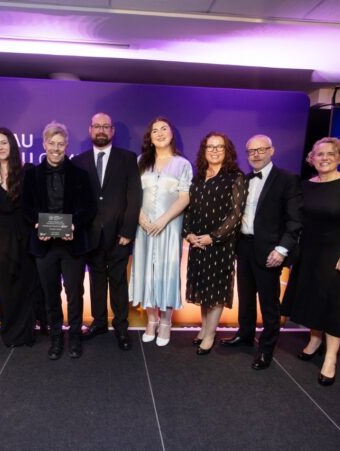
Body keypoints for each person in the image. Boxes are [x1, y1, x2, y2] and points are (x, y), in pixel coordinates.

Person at [281, 137, 340, 386]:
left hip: (338, 255)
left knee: (334, 305)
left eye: (330, 153)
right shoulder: (306, 186)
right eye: (319, 154)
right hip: (309, 254)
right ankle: (315, 340)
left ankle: (330, 358)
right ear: (312, 158)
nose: (325, 158)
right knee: (312, 300)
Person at [220, 134, 302, 370]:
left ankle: (266, 349)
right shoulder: (244, 180)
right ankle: (245, 335)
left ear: (271, 151)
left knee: (268, 303)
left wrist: (282, 249)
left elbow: (295, 220)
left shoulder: (287, 180)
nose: (255, 155)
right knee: (245, 298)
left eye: (261, 150)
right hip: (243, 246)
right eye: (251, 151)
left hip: (270, 251)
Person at [22, 121, 96, 360]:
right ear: (44, 144)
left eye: (60, 143)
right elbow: (26, 207)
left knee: (74, 293)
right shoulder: (31, 175)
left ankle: (74, 337)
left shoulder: (80, 175)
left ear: (66, 145)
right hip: (44, 246)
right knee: (50, 294)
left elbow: (89, 208)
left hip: (72, 245)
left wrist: (74, 223)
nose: (55, 148)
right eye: (51, 143)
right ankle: (56, 338)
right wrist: (36, 224)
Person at [73, 112, 142, 351]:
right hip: (90, 234)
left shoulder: (128, 158)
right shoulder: (78, 162)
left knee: (119, 281)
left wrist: (128, 230)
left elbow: (134, 198)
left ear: (112, 131)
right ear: (90, 130)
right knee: (96, 280)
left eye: (106, 126)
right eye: (97, 126)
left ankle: (121, 327)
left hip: (119, 234)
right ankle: (99, 322)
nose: (101, 130)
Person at [129, 117, 192, 346]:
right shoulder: (140, 162)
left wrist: (164, 220)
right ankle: (151, 320)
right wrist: (140, 217)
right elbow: (133, 194)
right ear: (150, 137)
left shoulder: (182, 164)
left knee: (167, 272)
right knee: (145, 270)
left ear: (172, 134)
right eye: (154, 130)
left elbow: (185, 196)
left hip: (169, 226)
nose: (159, 133)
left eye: (164, 128)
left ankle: (166, 322)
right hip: (143, 226)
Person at [183, 132, 247, 355]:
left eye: (219, 147)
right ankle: (203, 328)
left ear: (227, 150)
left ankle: (210, 334)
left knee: (216, 290)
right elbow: (189, 208)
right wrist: (189, 234)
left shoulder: (235, 176)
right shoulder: (198, 176)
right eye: (210, 146)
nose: (214, 150)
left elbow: (235, 215)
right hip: (197, 243)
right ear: (204, 150)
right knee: (203, 288)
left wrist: (214, 237)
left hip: (220, 244)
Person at [0, 127, 43, 347]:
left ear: (12, 144)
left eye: (4, 142)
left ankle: (26, 331)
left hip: (25, 230)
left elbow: (38, 202)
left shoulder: (27, 170)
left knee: (26, 281)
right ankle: (9, 331)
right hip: (2, 233)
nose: (0, 147)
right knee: (6, 283)